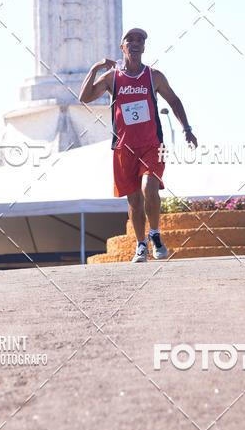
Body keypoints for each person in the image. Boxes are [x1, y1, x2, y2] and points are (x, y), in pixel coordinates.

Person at [79, 28, 198, 262]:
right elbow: (85, 97)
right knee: (134, 201)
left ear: (144, 47)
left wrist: (187, 129)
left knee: (149, 188)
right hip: (124, 148)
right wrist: (95, 68)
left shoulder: (154, 76)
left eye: (140, 40)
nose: (135, 43)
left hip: (152, 145)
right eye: (130, 40)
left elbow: (174, 101)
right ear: (122, 47)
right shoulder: (112, 77)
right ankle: (141, 244)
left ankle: (155, 235)